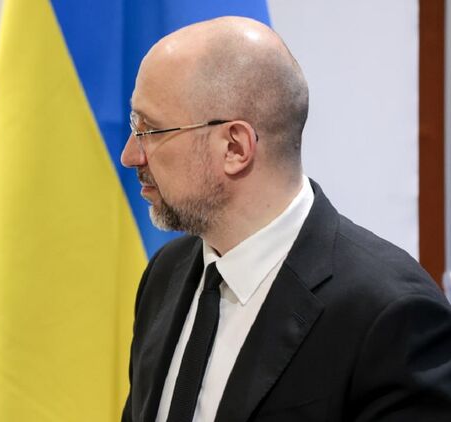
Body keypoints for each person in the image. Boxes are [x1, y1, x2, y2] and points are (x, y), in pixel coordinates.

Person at [120, 16, 451, 422]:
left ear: (235, 147)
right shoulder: (165, 273)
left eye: (150, 130)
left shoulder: (391, 315)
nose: (130, 155)